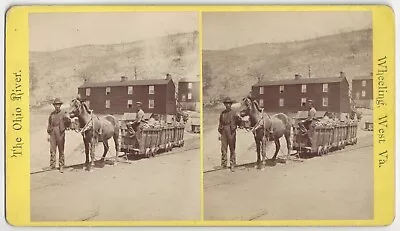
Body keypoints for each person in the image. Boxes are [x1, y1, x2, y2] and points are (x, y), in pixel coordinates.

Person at [218, 97, 241, 172]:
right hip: (224, 130)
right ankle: (223, 164)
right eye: (226, 104)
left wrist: (239, 119)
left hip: (231, 131)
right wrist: (219, 133)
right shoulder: (222, 113)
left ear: (231, 105)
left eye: (229, 104)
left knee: (232, 148)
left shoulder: (234, 113)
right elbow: (220, 123)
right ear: (225, 105)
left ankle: (232, 164)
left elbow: (239, 122)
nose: (228, 105)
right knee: (223, 149)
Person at [46, 98, 67, 173]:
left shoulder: (63, 114)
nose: (57, 106)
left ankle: (61, 165)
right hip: (52, 132)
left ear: (60, 105)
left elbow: (68, 122)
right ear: (54, 106)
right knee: (52, 149)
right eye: (56, 105)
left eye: (58, 105)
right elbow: (49, 124)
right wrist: (49, 134)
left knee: (61, 149)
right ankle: (52, 165)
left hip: (60, 132)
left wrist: (64, 128)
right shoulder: (52, 114)